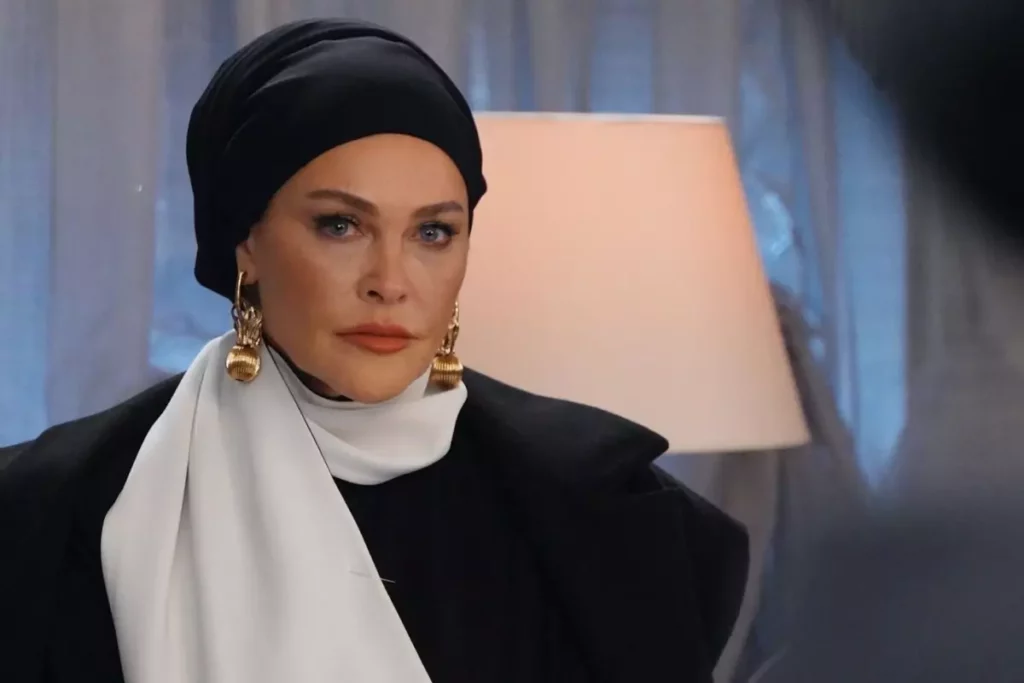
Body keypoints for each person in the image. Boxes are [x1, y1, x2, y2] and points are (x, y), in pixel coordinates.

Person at [0, 19, 748, 683]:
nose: (390, 282)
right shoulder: (54, 514)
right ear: (245, 242)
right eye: (340, 225)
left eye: (433, 232)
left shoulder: (613, 510)